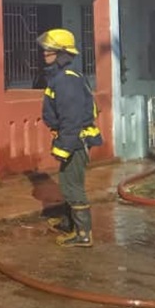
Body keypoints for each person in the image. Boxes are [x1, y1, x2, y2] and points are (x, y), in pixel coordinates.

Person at [38, 28, 102, 248]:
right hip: (71, 138)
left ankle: (83, 234)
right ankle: (69, 223)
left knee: (72, 187)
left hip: (74, 139)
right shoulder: (62, 77)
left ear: (62, 53)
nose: (45, 53)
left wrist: (64, 146)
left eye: (50, 49)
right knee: (67, 183)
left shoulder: (66, 80)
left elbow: (71, 118)